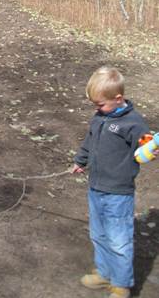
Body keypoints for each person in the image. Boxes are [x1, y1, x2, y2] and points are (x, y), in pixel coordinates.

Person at [72, 66, 152, 298]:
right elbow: (89, 141)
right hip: (96, 188)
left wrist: (150, 149)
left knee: (119, 240)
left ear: (118, 99)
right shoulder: (100, 118)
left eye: (100, 104)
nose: (97, 109)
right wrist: (80, 160)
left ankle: (121, 283)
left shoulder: (133, 123)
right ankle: (104, 273)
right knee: (98, 234)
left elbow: (145, 146)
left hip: (118, 193)